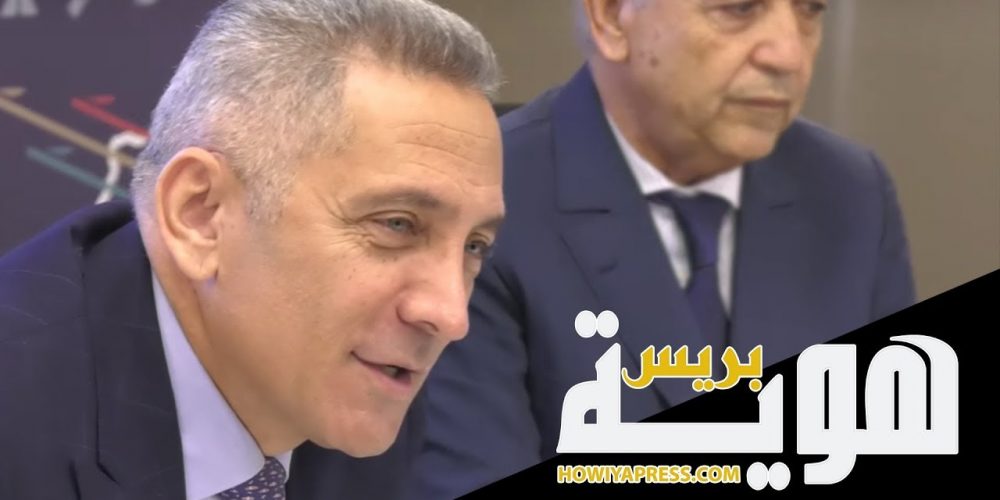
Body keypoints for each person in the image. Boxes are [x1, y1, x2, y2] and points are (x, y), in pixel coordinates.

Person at [0, 0, 504, 498]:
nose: (449, 315)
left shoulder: (359, 388)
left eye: (475, 246)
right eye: (396, 225)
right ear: (201, 214)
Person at [414, 0, 915, 497]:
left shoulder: (850, 191)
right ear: (612, 18)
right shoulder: (486, 197)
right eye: (740, 9)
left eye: (810, 10)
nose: (788, 55)